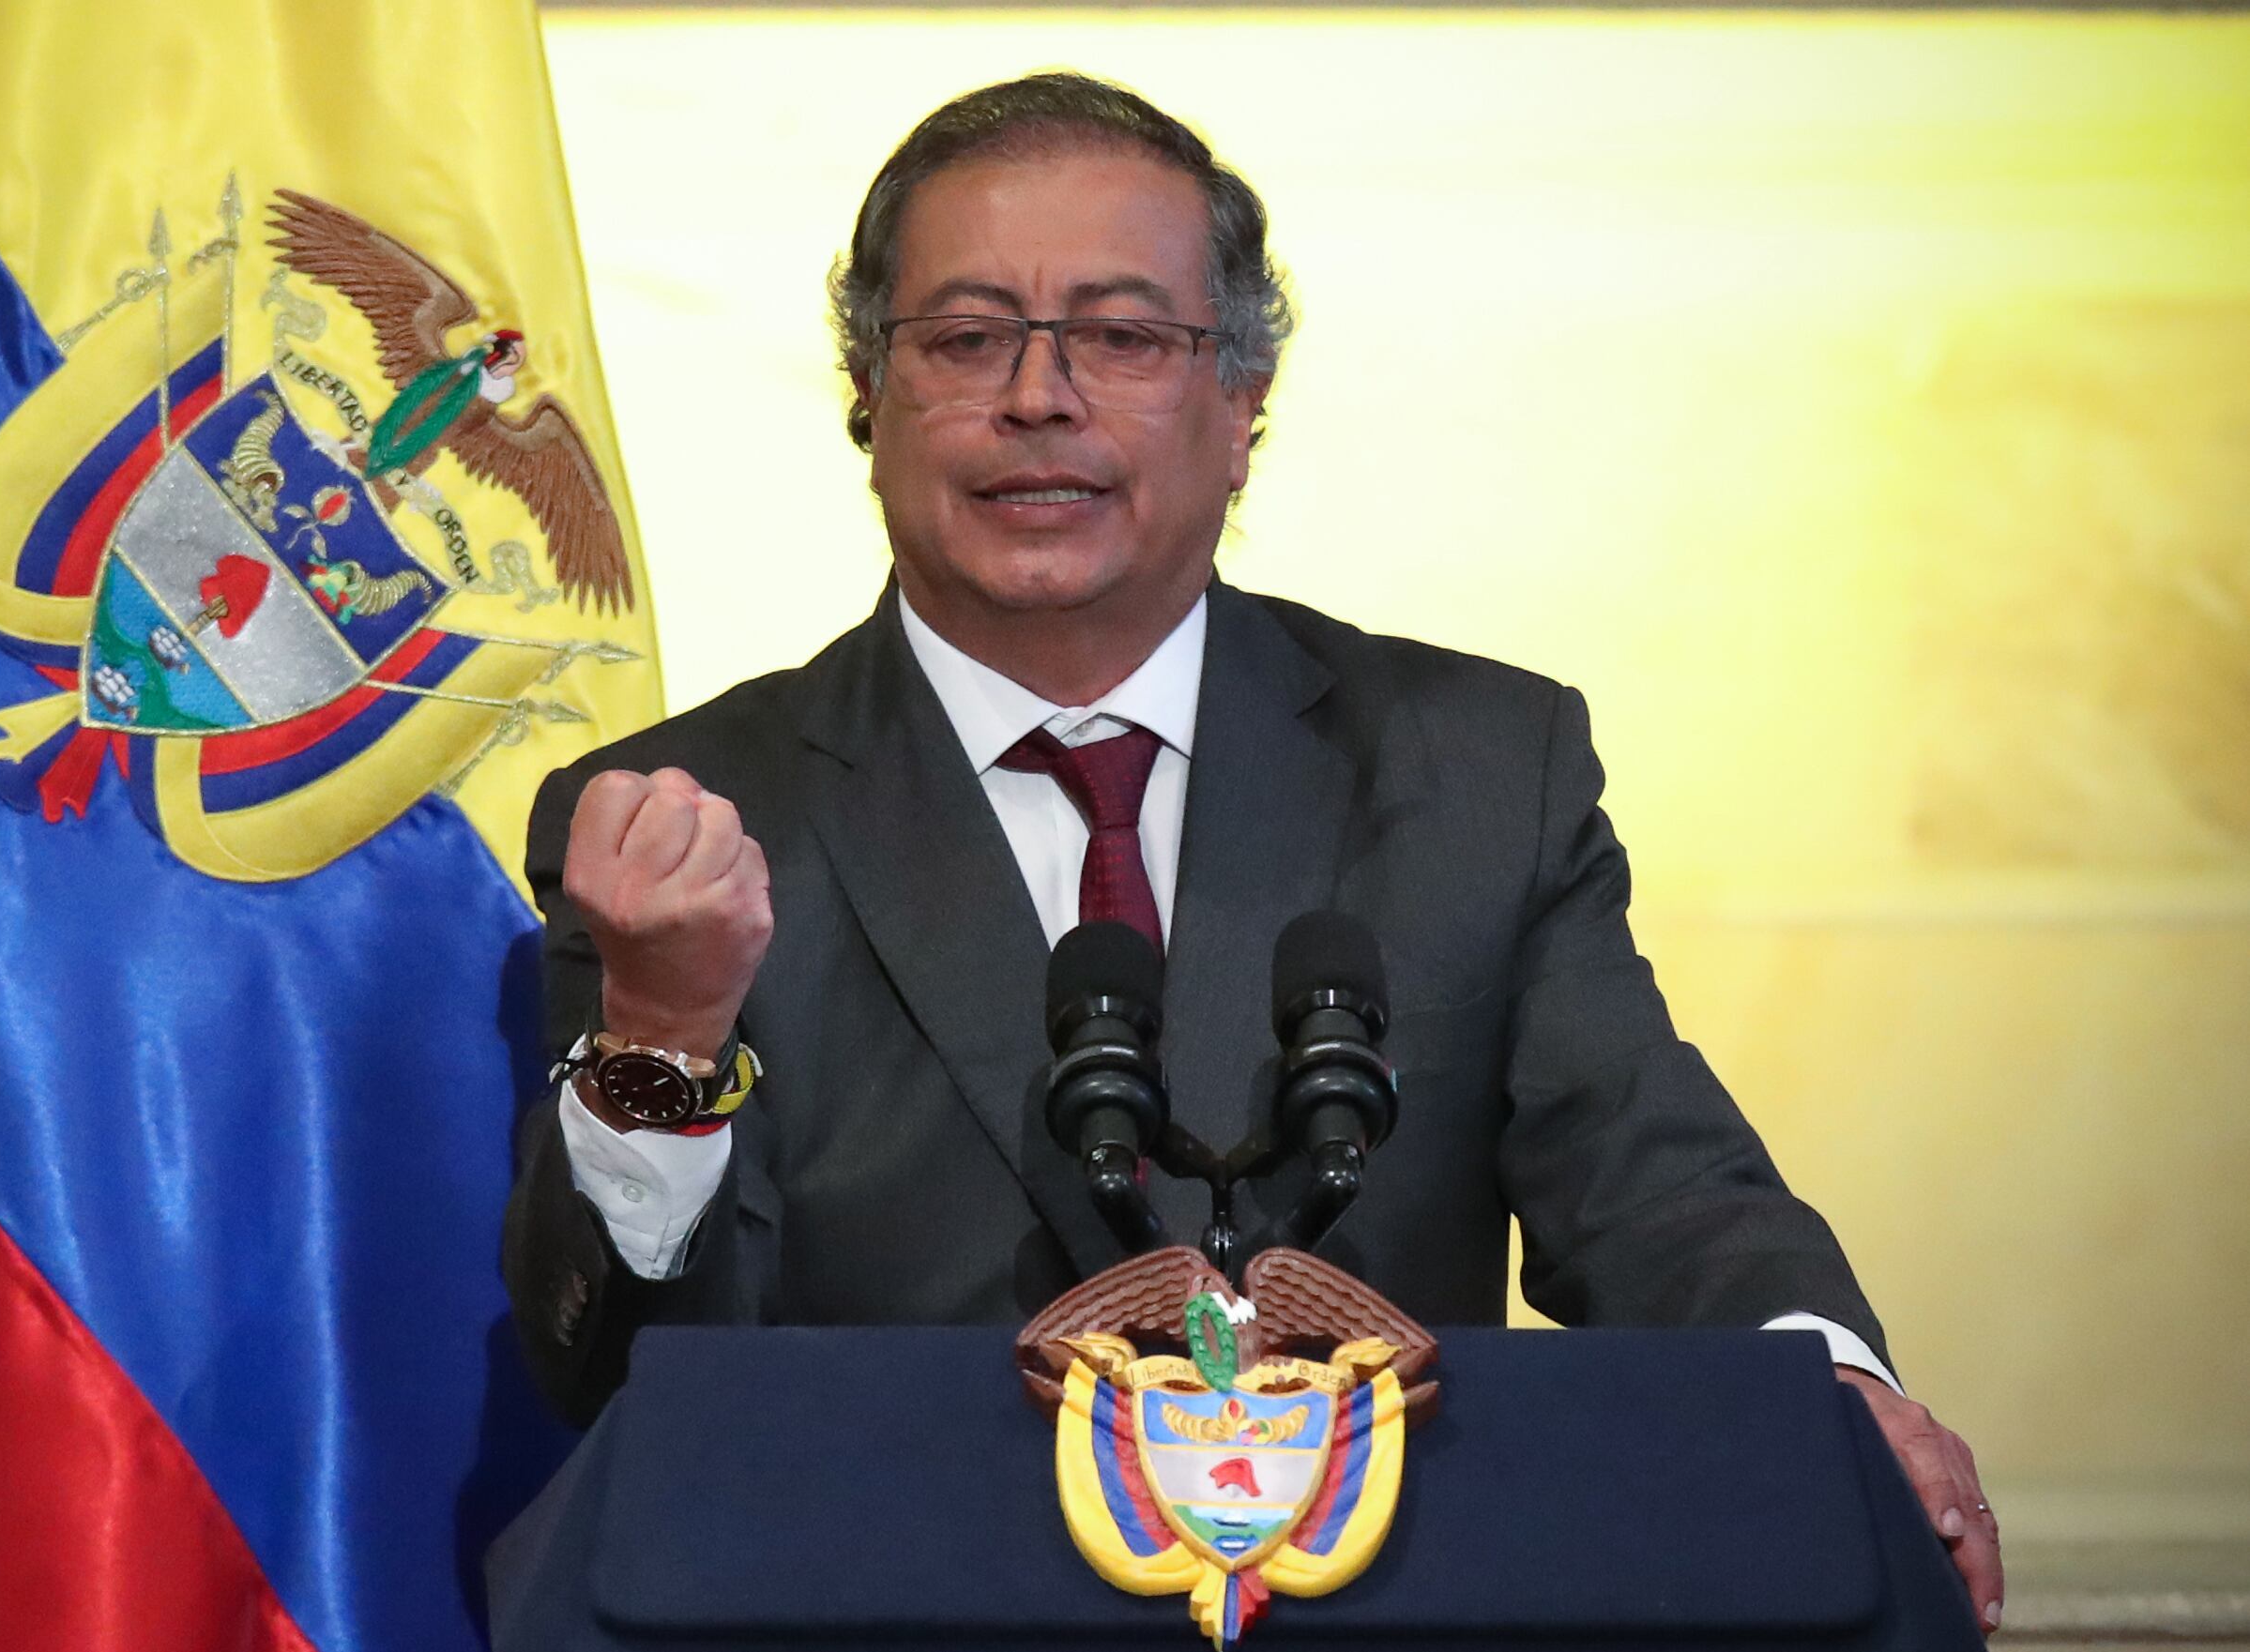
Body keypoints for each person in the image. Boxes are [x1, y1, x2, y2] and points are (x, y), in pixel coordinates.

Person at [502, 72, 2003, 1631]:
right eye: (966, 338)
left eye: (1124, 335)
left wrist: (1833, 1387)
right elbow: (607, 1381)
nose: (1039, 396)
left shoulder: (1480, 769)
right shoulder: (680, 818)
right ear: (867, 399)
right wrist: (662, 1038)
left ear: (1244, 406)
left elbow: (1651, 1178)